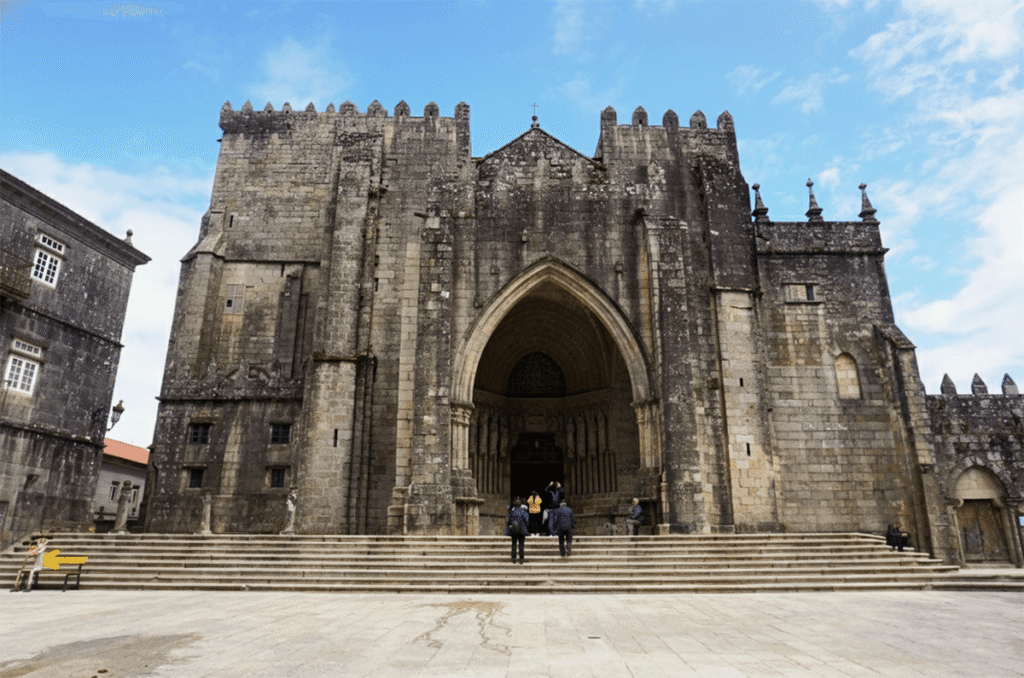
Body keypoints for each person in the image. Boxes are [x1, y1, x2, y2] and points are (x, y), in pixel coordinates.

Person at [505, 499, 530, 564]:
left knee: (514, 544)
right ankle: (521, 559)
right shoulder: (523, 512)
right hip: (522, 530)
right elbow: (527, 521)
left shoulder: (511, 512)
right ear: (520, 505)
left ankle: (514, 558)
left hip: (513, 530)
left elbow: (508, 522)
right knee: (521, 545)